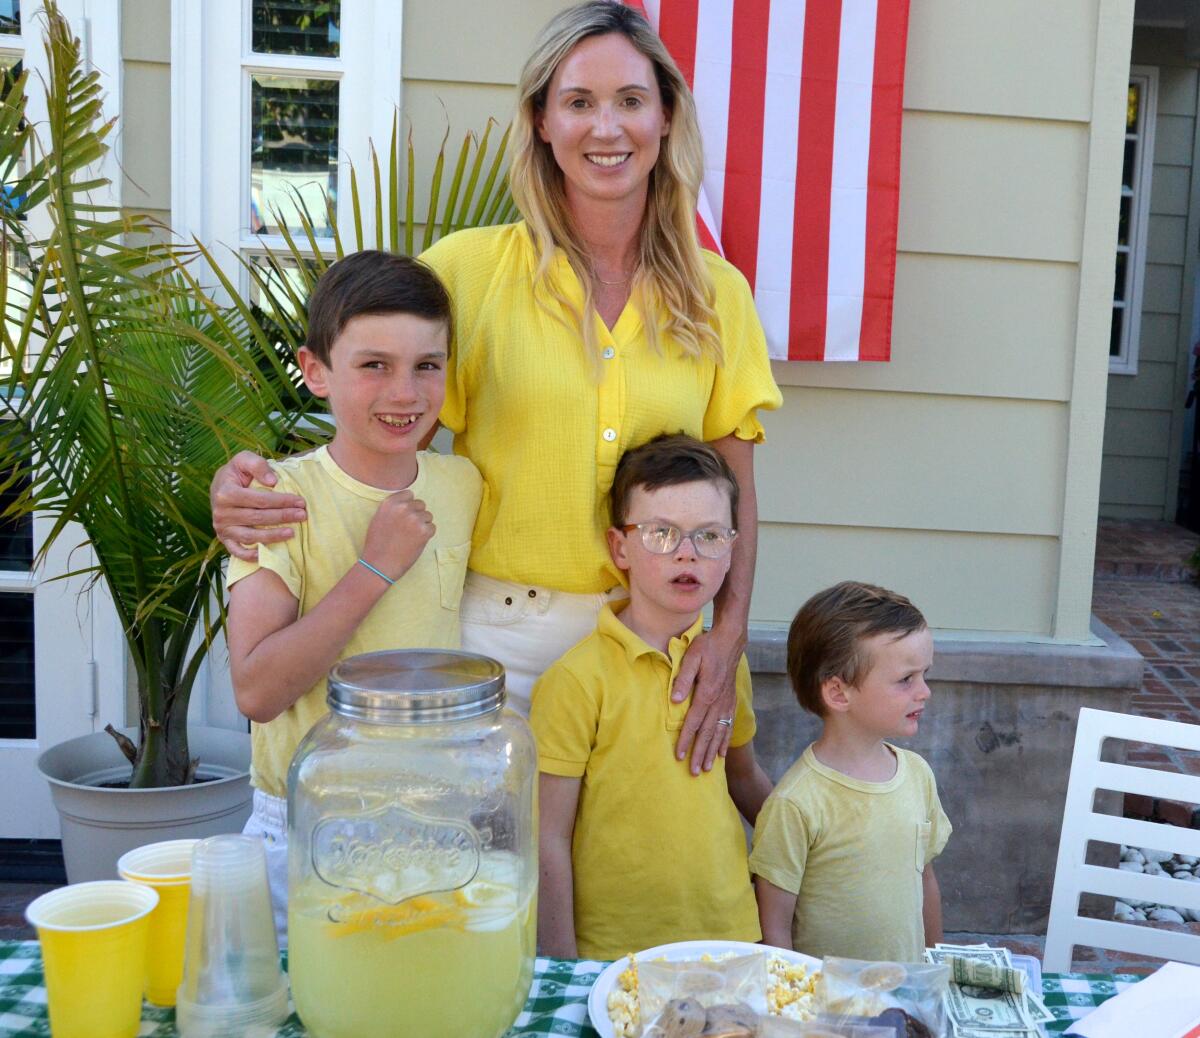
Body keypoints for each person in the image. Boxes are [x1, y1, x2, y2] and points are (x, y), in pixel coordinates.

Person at [209, 1, 781, 774]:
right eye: (578, 102)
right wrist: (248, 485)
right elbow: (377, 410)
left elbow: (736, 493)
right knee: (503, 878)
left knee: (645, 877)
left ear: (666, 117)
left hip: (661, 637)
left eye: (631, 101)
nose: (605, 128)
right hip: (499, 644)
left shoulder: (718, 296)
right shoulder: (469, 272)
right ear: (542, 120)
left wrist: (728, 632)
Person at [225, 251, 482, 937]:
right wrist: (375, 568)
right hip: (311, 824)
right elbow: (256, 690)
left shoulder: (462, 486)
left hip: (431, 818)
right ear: (315, 372)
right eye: (374, 366)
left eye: (427, 365)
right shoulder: (277, 500)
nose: (405, 393)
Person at [533, 435, 774, 959]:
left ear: (732, 549)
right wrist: (561, 963)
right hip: (613, 951)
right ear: (620, 546)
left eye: (709, 536)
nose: (686, 552)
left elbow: (744, 778)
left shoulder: (725, 667)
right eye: (661, 533)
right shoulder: (577, 680)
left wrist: (820, 835)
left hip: (731, 936)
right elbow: (547, 836)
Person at [750, 582, 952, 962]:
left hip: (904, 994)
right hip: (828, 1008)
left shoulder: (917, 775)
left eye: (925, 674)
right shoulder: (796, 803)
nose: (924, 691)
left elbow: (925, 881)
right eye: (906, 679)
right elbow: (774, 927)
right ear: (839, 694)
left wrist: (935, 968)